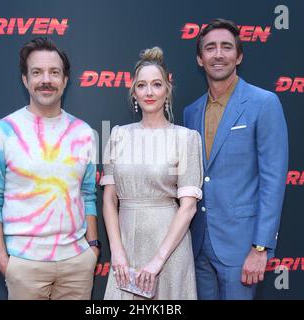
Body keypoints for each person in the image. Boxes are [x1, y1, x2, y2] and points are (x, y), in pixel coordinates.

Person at [0, 37, 100, 300]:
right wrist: (3, 259)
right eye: (37, 72)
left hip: (78, 265)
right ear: (25, 80)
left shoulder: (85, 133)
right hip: (24, 265)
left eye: (54, 72)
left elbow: (88, 194)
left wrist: (92, 247)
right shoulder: (2, 132)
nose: (46, 79)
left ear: (65, 80)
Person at [183, 18, 288, 300]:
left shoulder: (264, 104)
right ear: (199, 58)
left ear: (239, 56)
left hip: (242, 249)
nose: (218, 54)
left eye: (227, 47)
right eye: (210, 48)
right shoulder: (191, 112)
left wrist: (260, 247)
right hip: (198, 245)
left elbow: (273, 181)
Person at [101, 47, 203, 299]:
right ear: (133, 92)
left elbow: (188, 207)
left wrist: (157, 261)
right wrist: (117, 251)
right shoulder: (117, 135)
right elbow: (108, 200)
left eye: (156, 85)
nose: (149, 92)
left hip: (168, 249)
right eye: (142, 85)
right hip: (124, 245)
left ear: (167, 90)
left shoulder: (186, 138)